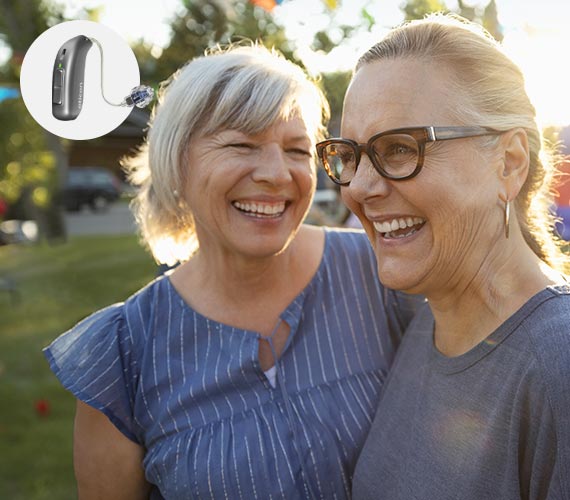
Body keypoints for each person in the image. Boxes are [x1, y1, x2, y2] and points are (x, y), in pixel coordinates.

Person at [43, 44, 418, 499]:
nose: (277, 174)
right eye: (242, 144)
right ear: (177, 162)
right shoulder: (124, 356)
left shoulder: (379, 273)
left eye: (297, 150)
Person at [316, 14, 570, 500]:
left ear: (509, 163)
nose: (361, 189)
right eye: (348, 155)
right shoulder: (423, 320)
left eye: (399, 148)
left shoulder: (557, 365)